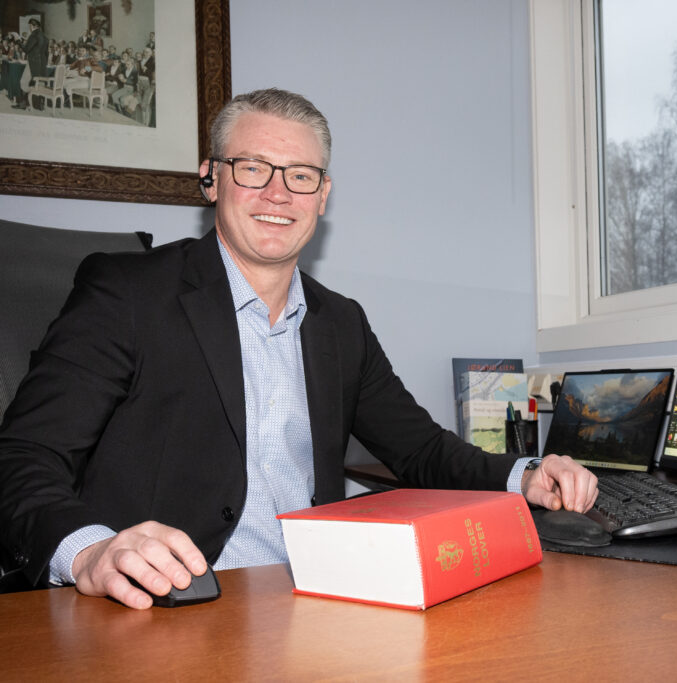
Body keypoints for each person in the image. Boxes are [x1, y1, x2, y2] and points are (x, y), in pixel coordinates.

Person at [0, 88, 598, 609]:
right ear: (211, 178)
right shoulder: (128, 293)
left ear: (323, 193)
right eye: (252, 168)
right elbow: (25, 455)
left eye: (300, 175)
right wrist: (90, 552)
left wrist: (527, 475)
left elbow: (421, 450)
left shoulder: (342, 323)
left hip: (317, 597)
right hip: (172, 603)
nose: (278, 193)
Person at [13, 18, 46, 110]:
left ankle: (23, 104)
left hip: (32, 63)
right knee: (37, 83)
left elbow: (26, 49)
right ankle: (38, 104)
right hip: (40, 63)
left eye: (29, 26)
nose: (29, 28)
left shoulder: (34, 35)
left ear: (32, 26)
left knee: (23, 82)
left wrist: (18, 40)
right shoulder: (42, 35)